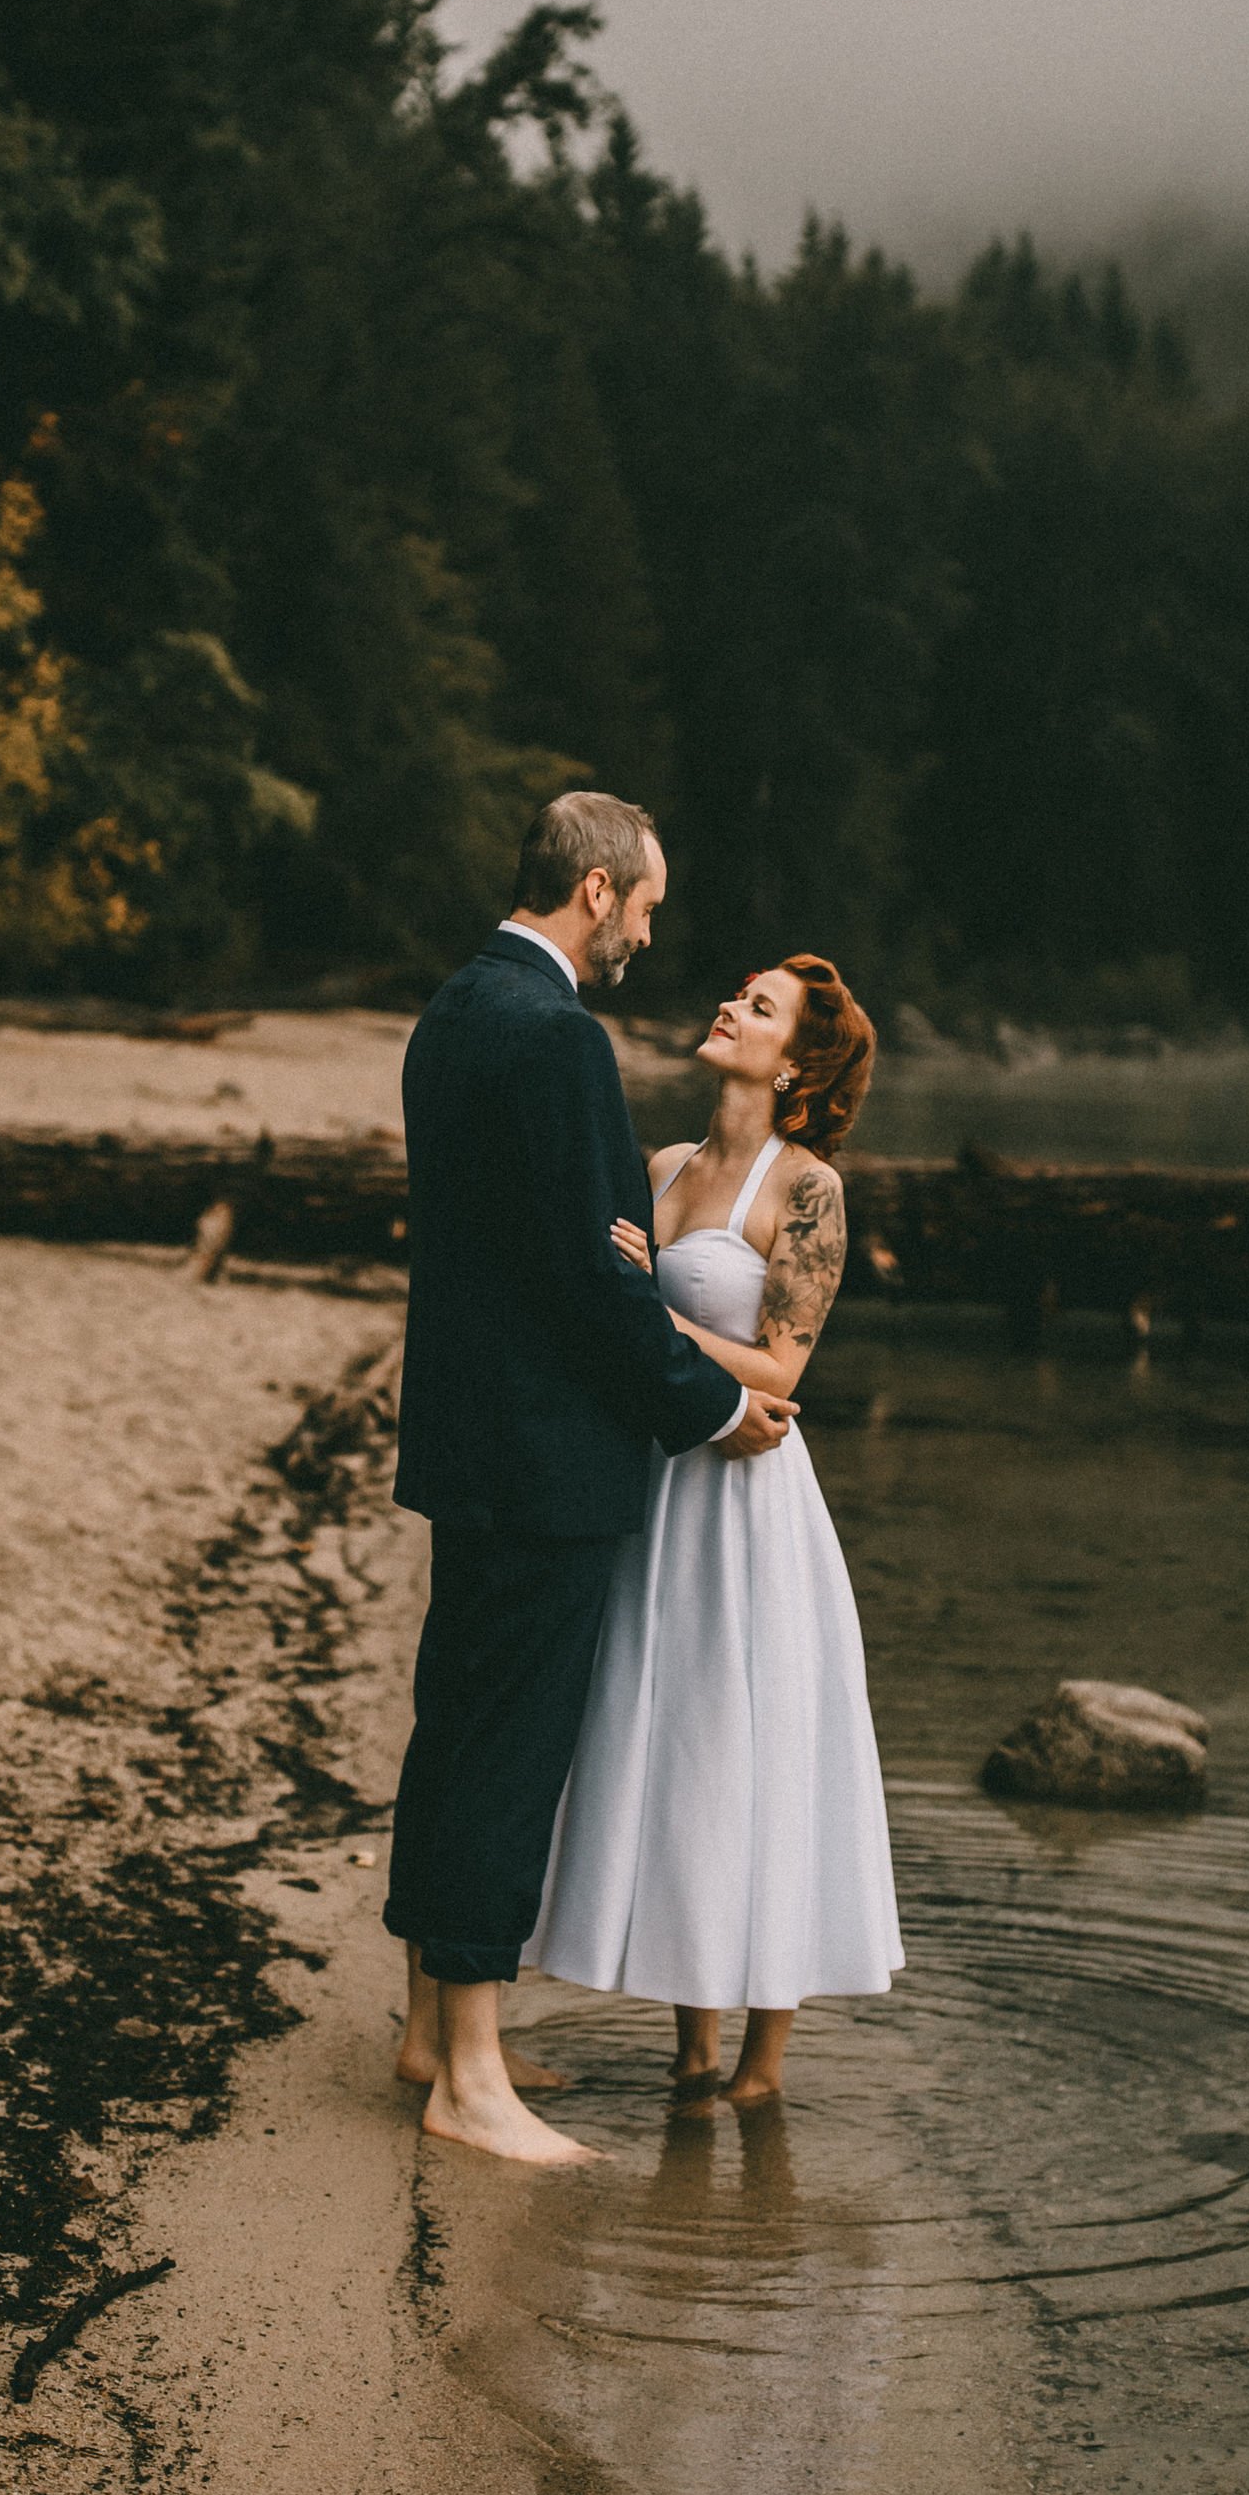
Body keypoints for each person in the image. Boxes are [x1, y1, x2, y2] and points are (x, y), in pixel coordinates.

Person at [387, 794, 799, 2164]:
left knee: (455, 1721)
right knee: (506, 1750)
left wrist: (620, 1255)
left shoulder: (456, 1007)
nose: (648, 931)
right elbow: (587, 1278)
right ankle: (473, 2079)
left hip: (464, 1431)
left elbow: (533, 1245)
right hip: (543, 1450)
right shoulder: (558, 1035)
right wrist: (706, 1406)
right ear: (601, 887)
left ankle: (423, 2031)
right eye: (648, 906)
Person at [525, 954, 902, 2103]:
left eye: (760, 1007)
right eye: (738, 994)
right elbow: (628, 1329)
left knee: (763, 1739)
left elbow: (785, 1367)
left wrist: (653, 1318)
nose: (731, 1007)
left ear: (793, 1065)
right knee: (686, 1739)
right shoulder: (666, 1165)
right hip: (662, 1485)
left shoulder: (811, 1191)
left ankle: (762, 2062)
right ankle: (690, 2044)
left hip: (751, 1499)